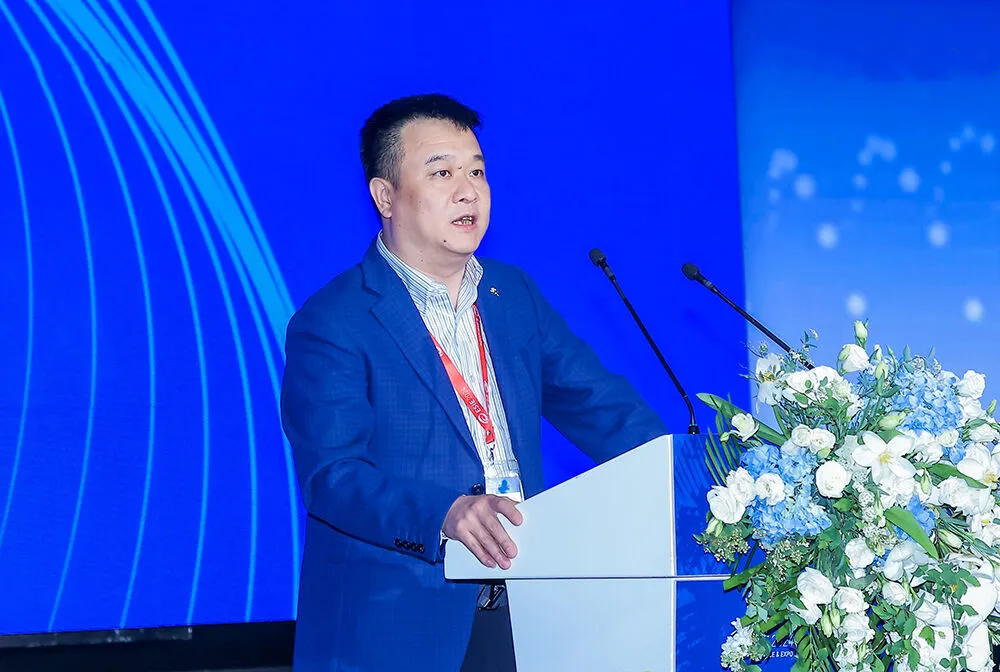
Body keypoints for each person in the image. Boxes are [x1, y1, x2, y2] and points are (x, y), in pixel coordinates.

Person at [280, 93, 667, 672]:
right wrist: (446, 512)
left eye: (477, 172)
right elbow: (333, 477)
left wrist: (689, 477)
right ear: (385, 197)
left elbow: (601, 406)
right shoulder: (334, 320)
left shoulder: (512, 295)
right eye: (442, 173)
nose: (468, 192)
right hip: (397, 625)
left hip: (524, 609)